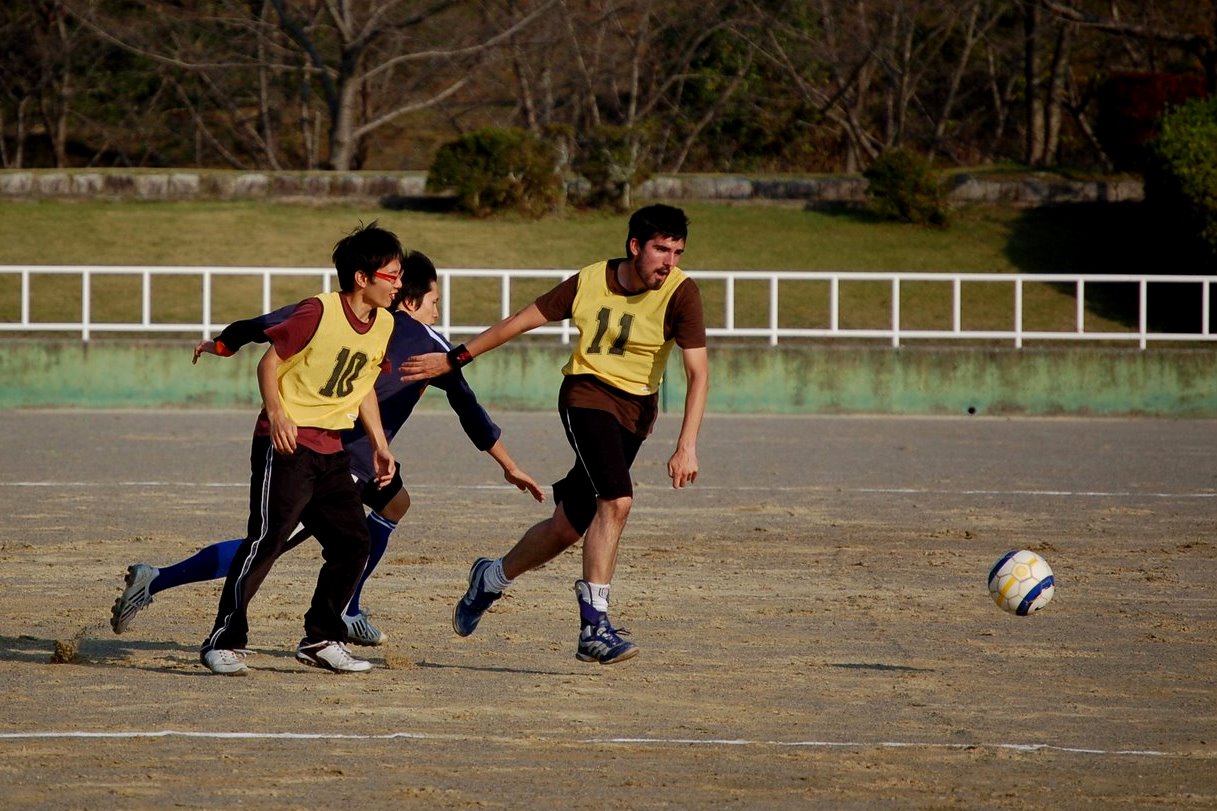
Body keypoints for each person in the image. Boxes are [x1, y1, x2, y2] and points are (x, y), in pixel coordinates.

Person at [110, 251, 544, 649]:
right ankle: (156, 580)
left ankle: (349, 608)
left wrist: (224, 343)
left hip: (360, 453)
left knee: (395, 503)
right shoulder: (431, 342)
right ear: (411, 301)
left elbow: (267, 322)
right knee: (269, 545)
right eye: (435, 301)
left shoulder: (351, 314)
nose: (438, 312)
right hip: (337, 454)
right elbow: (469, 408)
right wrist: (510, 466)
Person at [399, 204, 709, 665]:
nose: (669, 261)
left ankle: (491, 577)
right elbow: (521, 320)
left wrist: (687, 444)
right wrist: (455, 358)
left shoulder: (682, 294)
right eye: (661, 249)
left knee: (568, 526)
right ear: (635, 247)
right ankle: (594, 627)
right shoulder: (588, 281)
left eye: (677, 251)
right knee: (617, 501)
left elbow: (697, 372)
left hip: (636, 414)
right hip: (585, 398)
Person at [193, 221, 407, 676]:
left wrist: (380, 445)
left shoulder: (384, 323)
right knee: (268, 540)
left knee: (353, 543)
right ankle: (222, 640)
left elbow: (364, 386)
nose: (399, 284)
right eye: (392, 275)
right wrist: (278, 414)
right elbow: (269, 361)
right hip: (287, 444)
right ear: (362, 278)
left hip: (331, 452)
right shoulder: (318, 311)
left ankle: (321, 640)